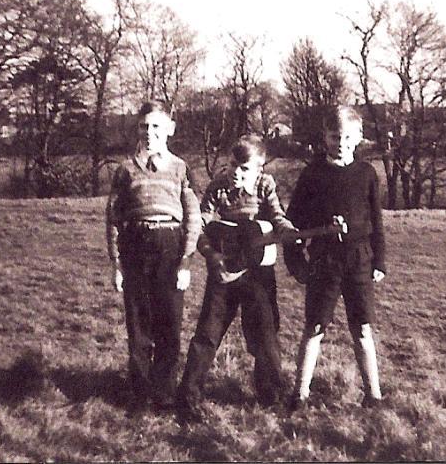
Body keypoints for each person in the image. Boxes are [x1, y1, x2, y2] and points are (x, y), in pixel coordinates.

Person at [176, 135, 297, 421]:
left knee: (266, 334)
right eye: (233, 165)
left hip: (258, 274)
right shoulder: (219, 187)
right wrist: (211, 255)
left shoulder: (266, 186)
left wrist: (288, 230)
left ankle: (270, 394)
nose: (236, 173)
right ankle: (188, 396)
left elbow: (277, 216)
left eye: (244, 168)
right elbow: (201, 224)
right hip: (224, 271)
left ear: (260, 169)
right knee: (207, 333)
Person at [284, 105, 387, 410]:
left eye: (346, 136)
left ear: (358, 138)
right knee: (314, 327)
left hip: (359, 261)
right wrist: (297, 262)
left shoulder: (367, 174)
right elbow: (293, 223)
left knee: (363, 329)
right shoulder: (312, 174)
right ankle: (300, 394)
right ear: (324, 138)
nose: (339, 142)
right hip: (323, 261)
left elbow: (377, 221)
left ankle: (374, 395)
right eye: (333, 136)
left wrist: (379, 260)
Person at [105, 100, 200, 414]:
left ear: (170, 130)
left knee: (169, 322)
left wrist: (186, 259)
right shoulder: (125, 169)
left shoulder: (180, 168)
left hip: (169, 246)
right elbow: (114, 218)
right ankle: (141, 394)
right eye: (144, 126)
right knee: (139, 322)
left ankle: (165, 391)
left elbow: (192, 216)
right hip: (135, 244)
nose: (149, 133)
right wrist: (116, 263)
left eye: (156, 126)